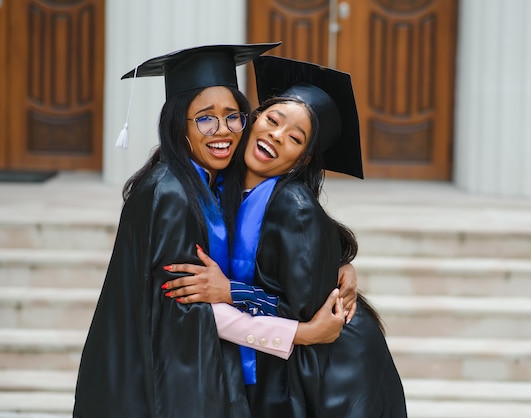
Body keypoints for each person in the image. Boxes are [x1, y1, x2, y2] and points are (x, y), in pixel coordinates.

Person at [73, 44, 348, 418]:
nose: (222, 130)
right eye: (205, 119)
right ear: (178, 124)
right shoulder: (170, 194)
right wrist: (303, 334)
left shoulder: (207, 183)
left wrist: (342, 267)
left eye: (232, 116)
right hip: (154, 388)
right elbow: (186, 312)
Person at [164, 56, 407, 417]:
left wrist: (231, 290)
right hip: (292, 361)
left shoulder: (294, 207)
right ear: (253, 120)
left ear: (302, 161)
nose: (276, 135)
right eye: (272, 120)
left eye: (294, 138)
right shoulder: (223, 183)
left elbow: (305, 313)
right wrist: (344, 263)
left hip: (335, 373)